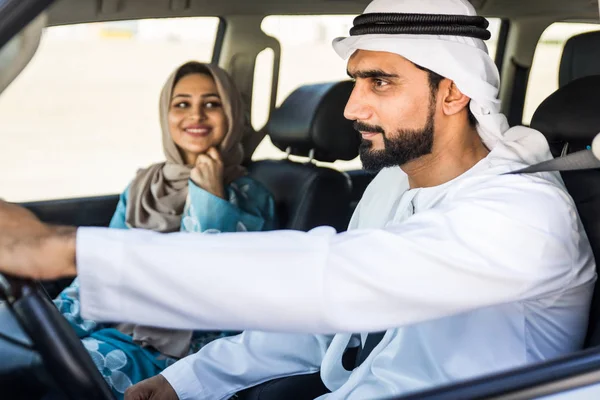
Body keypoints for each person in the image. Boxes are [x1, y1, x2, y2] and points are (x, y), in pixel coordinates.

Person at [0, 0, 595, 399]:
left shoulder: (524, 214)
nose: (352, 107)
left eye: (380, 82)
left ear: (454, 93)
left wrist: (67, 249)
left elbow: (332, 279)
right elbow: (328, 325)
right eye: (357, 81)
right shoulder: (395, 182)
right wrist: (190, 379)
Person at [50, 61, 276, 397]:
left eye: (212, 104)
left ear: (231, 114)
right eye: (181, 104)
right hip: (119, 330)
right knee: (34, 359)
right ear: (165, 115)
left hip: (185, 350)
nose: (195, 116)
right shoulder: (145, 184)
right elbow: (105, 268)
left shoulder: (253, 196)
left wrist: (209, 196)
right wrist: (54, 324)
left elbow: (202, 281)